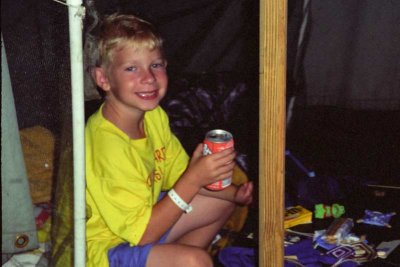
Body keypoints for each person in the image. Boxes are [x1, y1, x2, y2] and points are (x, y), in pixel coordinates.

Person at [85, 13, 253, 267]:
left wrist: (234, 194)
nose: (149, 78)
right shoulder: (107, 145)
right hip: (108, 249)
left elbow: (180, 177)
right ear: (103, 79)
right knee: (196, 261)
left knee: (220, 205)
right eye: (131, 68)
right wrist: (194, 177)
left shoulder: (153, 117)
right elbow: (143, 235)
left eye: (156, 65)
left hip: (144, 225)